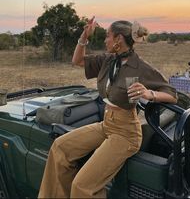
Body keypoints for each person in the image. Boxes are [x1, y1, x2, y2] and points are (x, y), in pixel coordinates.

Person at [38, 17, 177, 198]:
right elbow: (77, 60)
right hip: (106, 124)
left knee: (83, 186)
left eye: (107, 36)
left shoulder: (140, 67)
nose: (105, 40)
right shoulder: (108, 60)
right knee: (60, 148)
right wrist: (84, 36)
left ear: (118, 39)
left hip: (126, 133)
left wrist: (149, 94)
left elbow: (172, 94)